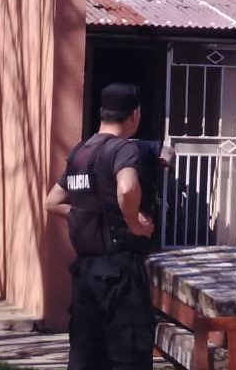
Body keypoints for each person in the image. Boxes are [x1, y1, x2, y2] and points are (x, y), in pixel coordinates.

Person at [45, 83, 158, 370]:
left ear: (102, 114)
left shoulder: (80, 152)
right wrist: (132, 221)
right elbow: (127, 187)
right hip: (120, 274)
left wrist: (86, 212)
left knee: (86, 358)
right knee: (129, 358)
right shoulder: (124, 150)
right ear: (134, 115)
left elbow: (52, 202)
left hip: (85, 276)